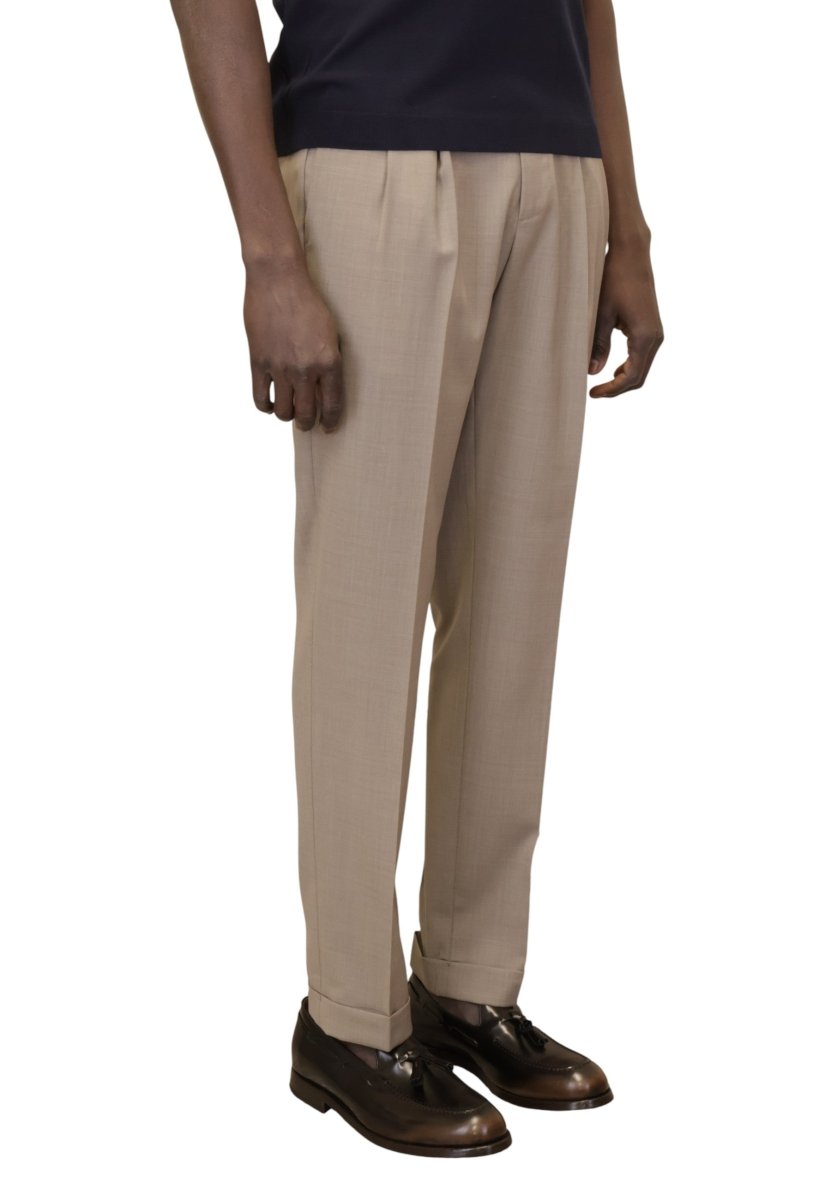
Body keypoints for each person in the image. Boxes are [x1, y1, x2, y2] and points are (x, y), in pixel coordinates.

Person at [170, 0, 663, 1158]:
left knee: (513, 613)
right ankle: (350, 1019)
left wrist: (627, 225)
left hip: (557, 166)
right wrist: (269, 256)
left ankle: (468, 984)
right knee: (366, 613)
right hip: (370, 153)